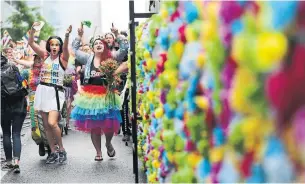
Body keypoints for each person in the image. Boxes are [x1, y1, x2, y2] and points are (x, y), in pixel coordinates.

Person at [71, 23, 128, 161]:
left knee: (108, 125)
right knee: (94, 126)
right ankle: (98, 152)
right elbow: (74, 49)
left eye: (101, 43)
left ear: (105, 46)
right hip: (90, 96)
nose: (98, 44)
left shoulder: (111, 56)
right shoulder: (87, 58)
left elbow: (125, 49)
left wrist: (117, 34)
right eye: (96, 43)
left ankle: (108, 143)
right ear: (92, 47)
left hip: (107, 94)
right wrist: (79, 36)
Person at [28, 22, 72, 164]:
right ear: (49, 46)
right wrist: (33, 30)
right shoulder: (44, 55)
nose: (54, 47)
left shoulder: (63, 59)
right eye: (52, 44)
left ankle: (62, 149)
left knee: (53, 123)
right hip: (42, 90)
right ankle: (52, 152)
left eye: (56, 45)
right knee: (46, 125)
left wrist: (66, 35)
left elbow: (65, 47)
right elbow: (31, 43)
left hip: (55, 92)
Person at [1, 52, 28, 173]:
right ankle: (17, 162)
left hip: (3, 106)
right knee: (16, 134)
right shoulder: (13, 67)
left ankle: (9, 162)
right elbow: (23, 83)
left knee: (6, 133)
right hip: (18, 104)